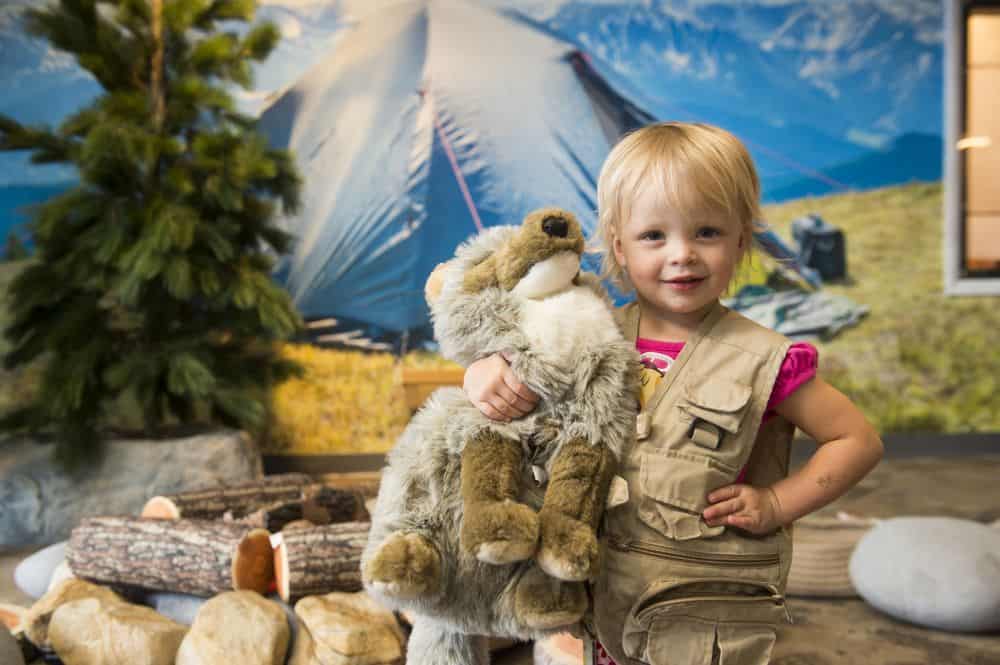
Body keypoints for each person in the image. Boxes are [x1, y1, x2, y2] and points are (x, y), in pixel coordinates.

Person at [462, 121, 884, 664]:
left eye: (706, 232)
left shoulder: (767, 361)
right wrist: (482, 371)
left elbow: (857, 441)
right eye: (654, 236)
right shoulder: (585, 333)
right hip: (596, 597)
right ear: (619, 246)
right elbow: (517, 385)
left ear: (741, 239)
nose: (682, 254)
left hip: (695, 608)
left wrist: (778, 503)